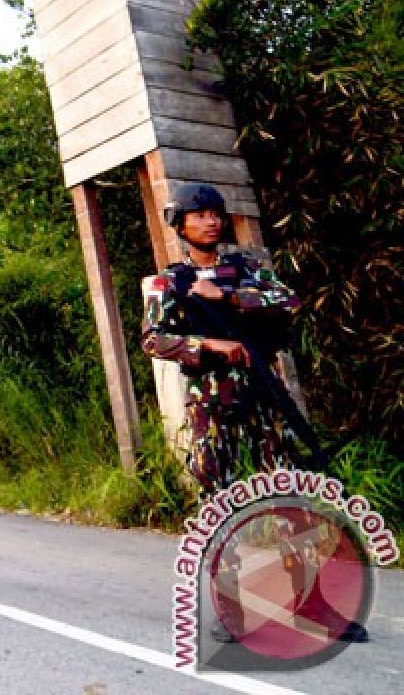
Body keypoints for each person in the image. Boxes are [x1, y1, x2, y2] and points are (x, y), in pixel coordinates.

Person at [141, 183, 366, 643]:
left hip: (265, 398)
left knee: (291, 499)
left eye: (215, 214)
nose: (210, 222)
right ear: (180, 225)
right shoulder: (172, 282)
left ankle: (313, 603)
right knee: (218, 502)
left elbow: (290, 302)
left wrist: (228, 298)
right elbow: (152, 339)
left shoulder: (247, 271)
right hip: (212, 402)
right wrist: (208, 345)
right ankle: (232, 610)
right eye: (199, 215)